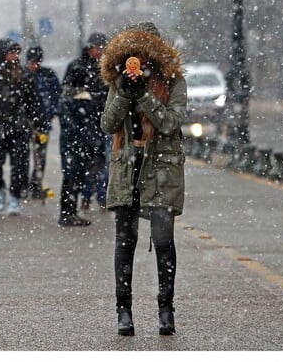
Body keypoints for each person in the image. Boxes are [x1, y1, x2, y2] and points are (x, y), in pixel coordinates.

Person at [99, 22, 187, 336]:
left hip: (162, 167)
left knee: (163, 240)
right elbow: (108, 123)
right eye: (134, 55)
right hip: (127, 165)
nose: (140, 62)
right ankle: (124, 311)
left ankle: (166, 310)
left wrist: (146, 98)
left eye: (145, 55)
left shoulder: (174, 82)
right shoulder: (119, 80)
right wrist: (125, 92)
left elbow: (170, 122)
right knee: (125, 241)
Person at [0, 38, 48, 215]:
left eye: (16, 53)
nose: (14, 56)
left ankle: (14, 196)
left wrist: (39, 124)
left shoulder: (24, 76)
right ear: (2, 54)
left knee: (20, 166)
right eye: (11, 52)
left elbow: (34, 103)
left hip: (19, 130)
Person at [58, 32, 108, 226]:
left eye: (103, 47)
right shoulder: (77, 67)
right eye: (97, 47)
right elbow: (66, 97)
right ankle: (66, 212)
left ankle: (72, 210)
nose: (100, 51)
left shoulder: (104, 69)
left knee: (86, 172)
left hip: (94, 129)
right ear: (89, 48)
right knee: (72, 172)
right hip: (76, 130)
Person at [25, 46, 61, 199]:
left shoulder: (48, 75)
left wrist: (51, 113)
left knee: (41, 156)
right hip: (24, 124)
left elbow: (56, 95)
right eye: (32, 62)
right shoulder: (22, 76)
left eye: (37, 62)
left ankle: (35, 185)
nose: (35, 66)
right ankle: (22, 185)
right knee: (22, 157)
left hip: (43, 124)